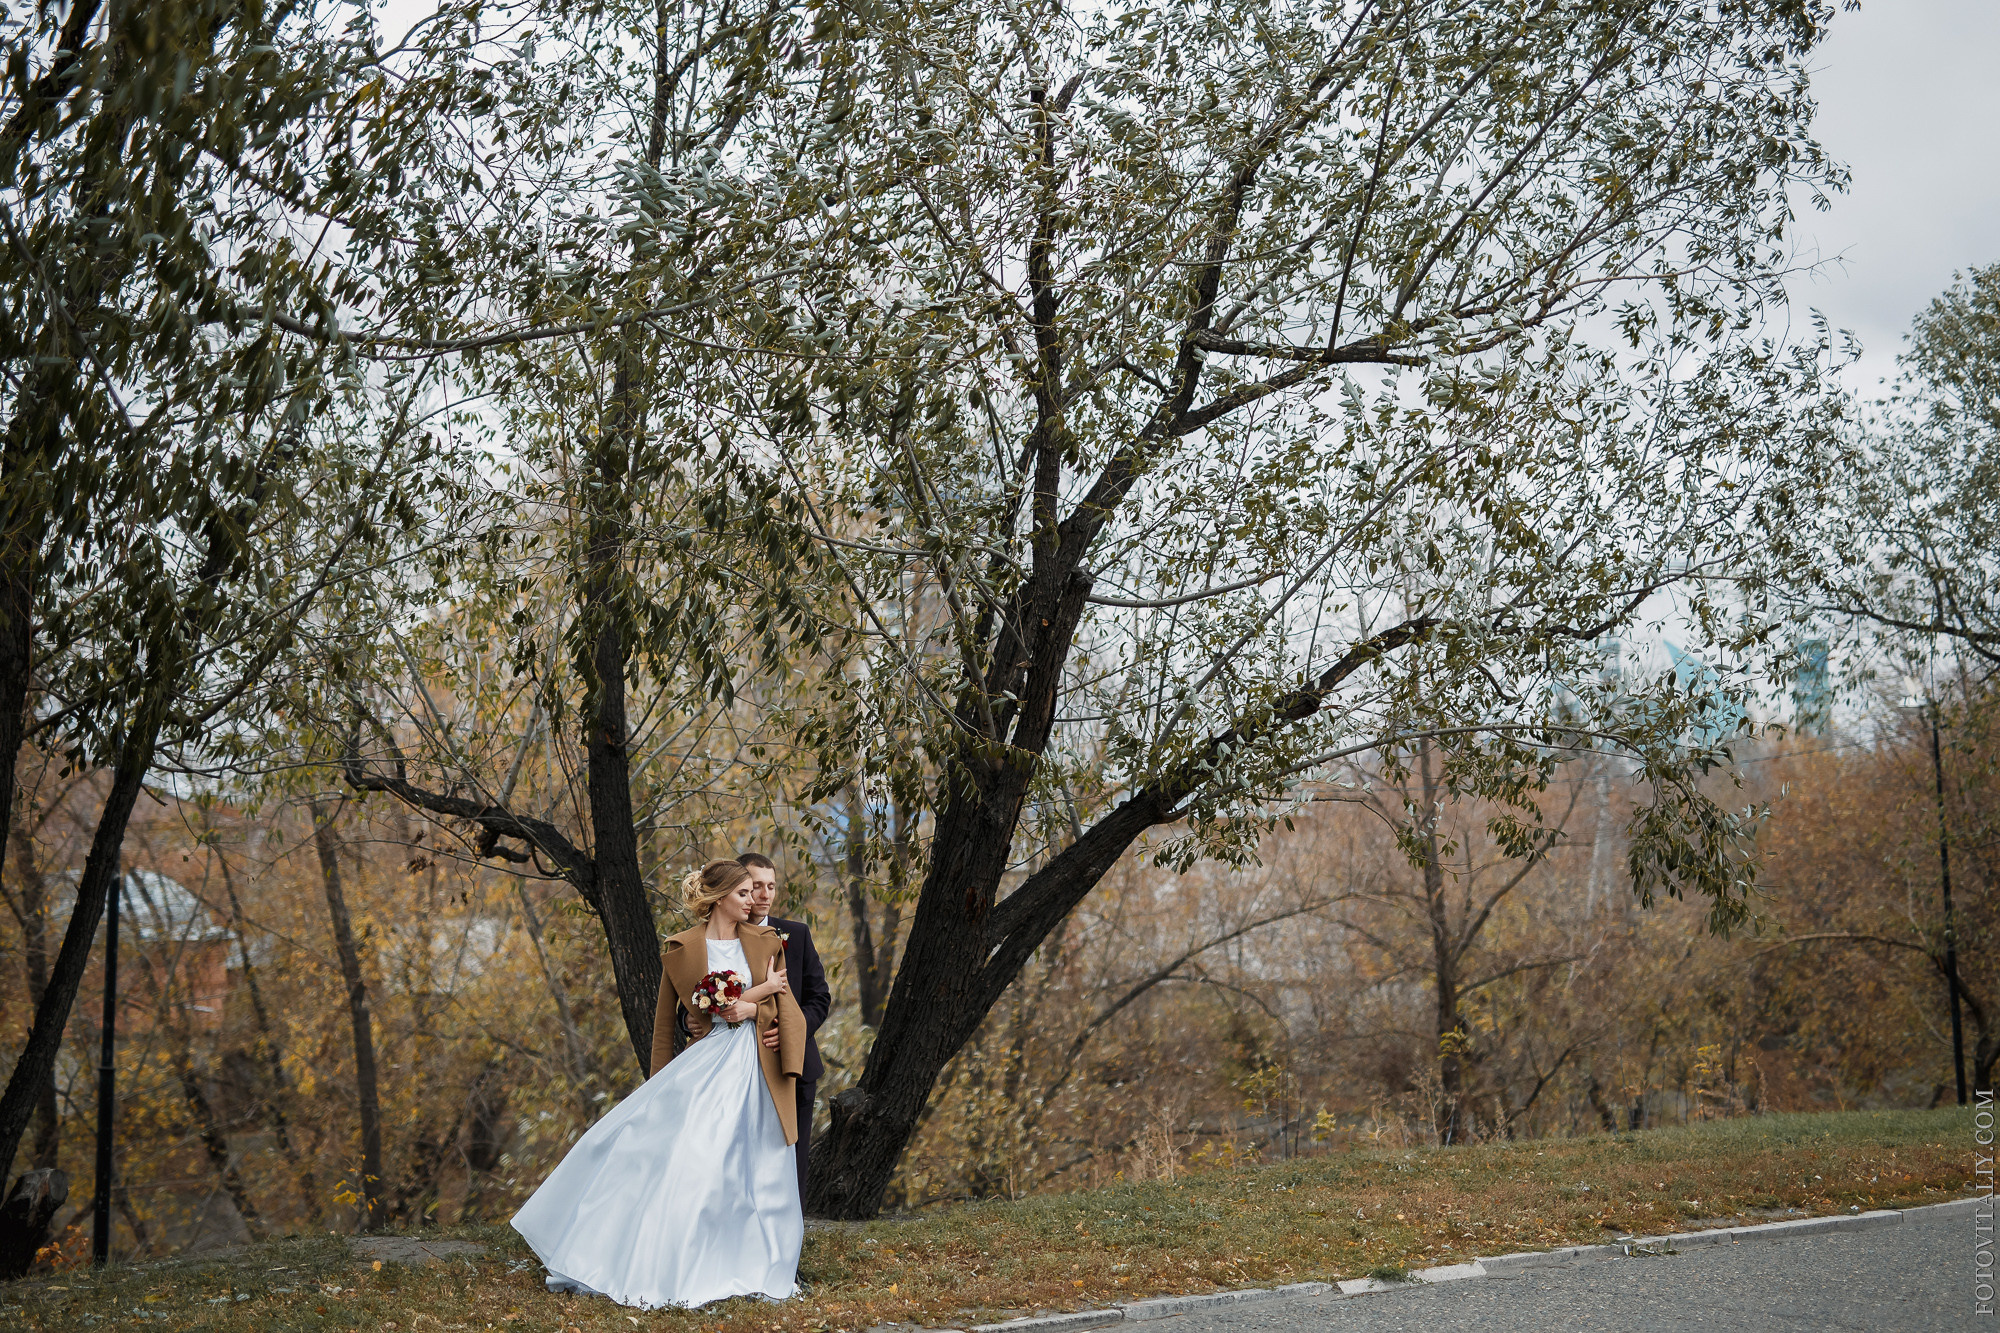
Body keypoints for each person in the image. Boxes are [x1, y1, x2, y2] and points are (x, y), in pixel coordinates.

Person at [511, 859, 806, 1309]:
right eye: (745, 893)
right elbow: (669, 1023)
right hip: (708, 1065)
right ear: (720, 897)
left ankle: (758, 1263)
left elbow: (786, 1005)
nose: (755, 901)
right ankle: (674, 1259)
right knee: (695, 1158)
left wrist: (757, 1007)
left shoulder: (767, 941)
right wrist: (659, 1085)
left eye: (754, 892)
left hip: (756, 1067)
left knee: (759, 1163)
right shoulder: (682, 948)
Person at [738, 852, 832, 1208]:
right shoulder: (722, 939)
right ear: (740, 887)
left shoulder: (796, 934)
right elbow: (698, 999)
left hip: (794, 1068)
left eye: (771, 886)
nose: (764, 894)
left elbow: (819, 999)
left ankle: (789, 1253)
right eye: (756, 886)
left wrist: (792, 1031)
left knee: (791, 1162)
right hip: (740, 1067)